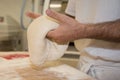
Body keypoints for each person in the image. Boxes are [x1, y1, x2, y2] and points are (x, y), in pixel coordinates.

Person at [26, 0, 120, 80]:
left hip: (114, 70)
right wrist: (47, 22)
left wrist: (83, 31)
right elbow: (70, 19)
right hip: (84, 65)